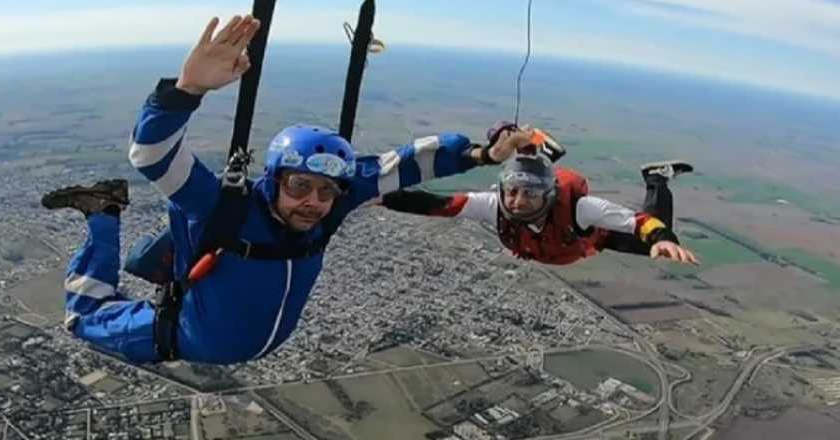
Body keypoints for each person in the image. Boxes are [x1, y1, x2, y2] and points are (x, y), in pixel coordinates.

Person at [40, 15, 522, 364]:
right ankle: (103, 213)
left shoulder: (332, 206)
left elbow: (407, 163)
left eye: (326, 190)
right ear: (272, 181)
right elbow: (151, 155)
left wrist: (483, 155)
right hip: (183, 337)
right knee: (84, 318)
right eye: (298, 185)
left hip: (228, 340)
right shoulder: (222, 206)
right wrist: (187, 89)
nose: (313, 201)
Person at [381, 123, 700, 266]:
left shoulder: (582, 209)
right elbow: (438, 205)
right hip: (571, 243)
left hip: (593, 236)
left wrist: (663, 237)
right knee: (527, 172)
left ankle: (657, 179)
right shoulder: (496, 205)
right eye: (512, 193)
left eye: (530, 196)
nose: (517, 202)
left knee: (652, 248)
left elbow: (639, 221)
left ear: (548, 196)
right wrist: (379, 195)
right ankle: (535, 146)